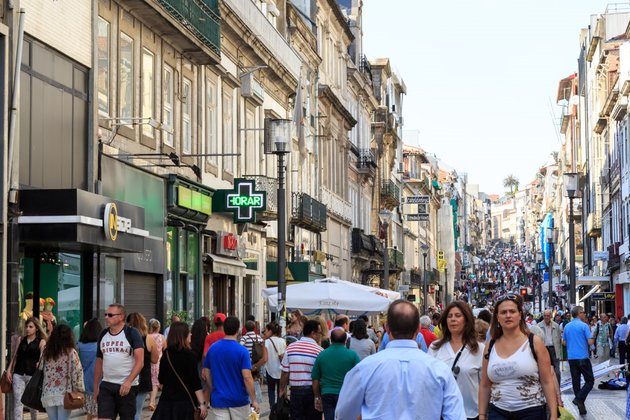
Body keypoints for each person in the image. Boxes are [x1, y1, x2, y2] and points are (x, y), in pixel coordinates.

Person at [336, 300, 465, 419]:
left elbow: (343, 414)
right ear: (418, 328)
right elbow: (456, 416)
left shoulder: (364, 369)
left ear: (387, 328)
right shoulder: (440, 370)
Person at [479, 294, 557, 420]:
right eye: (503, 312)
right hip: (498, 412)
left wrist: (553, 413)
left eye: (512, 311)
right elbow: (485, 384)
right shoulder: (490, 346)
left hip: (531, 411)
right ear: (497, 317)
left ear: (520, 315)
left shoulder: (534, 342)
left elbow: (547, 381)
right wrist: (482, 415)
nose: (508, 315)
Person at [429, 301, 484, 420]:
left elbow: (484, 385)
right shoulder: (435, 348)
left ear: (467, 319)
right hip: (441, 413)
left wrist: (483, 414)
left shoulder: (479, 349)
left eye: (458, 316)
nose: (453, 319)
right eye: (449, 316)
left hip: (470, 413)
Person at [94, 303, 145, 420]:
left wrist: (128, 382)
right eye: (106, 314)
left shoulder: (132, 333)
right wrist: (96, 387)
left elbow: (140, 361)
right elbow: (99, 362)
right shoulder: (103, 334)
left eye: (110, 315)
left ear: (121, 317)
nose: (106, 317)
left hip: (126, 386)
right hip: (106, 384)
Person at [203, 316, 260, 417]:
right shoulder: (242, 351)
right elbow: (247, 377)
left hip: (219, 399)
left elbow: (206, 372)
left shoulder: (213, 349)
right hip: (239, 400)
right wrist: (254, 400)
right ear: (238, 330)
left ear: (224, 329)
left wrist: (213, 387)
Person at [152, 321, 208, 419]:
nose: (191, 334)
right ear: (183, 335)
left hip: (167, 403)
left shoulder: (166, 354)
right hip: (185, 403)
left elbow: (161, 379)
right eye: (188, 332)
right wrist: (202, 403)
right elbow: (195, 382)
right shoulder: (190, 355)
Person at [279, 319, 323, 420]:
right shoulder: (319, 351)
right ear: (313, 333)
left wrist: (282, 389)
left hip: (295, 392)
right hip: (312, 392)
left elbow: (285, 373)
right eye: (319, 333)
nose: (320, 335)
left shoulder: (291, 348)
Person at [312, 328, 361, 420]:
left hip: (327, 393)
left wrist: (317, 396)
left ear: (330, 339)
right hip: (345, 393)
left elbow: (315, 379)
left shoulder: (322, 355)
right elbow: (360, 376)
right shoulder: (352, 355)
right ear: (346, 340)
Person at [41, 324, 85, 420]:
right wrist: (79, 389)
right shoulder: (71, 352)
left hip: (48, 393)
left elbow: (40, 368)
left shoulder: (46, 352)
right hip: (65, 394)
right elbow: (78, 371)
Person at [7, 317, 47, 420]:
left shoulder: (41, 341)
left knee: (32, 403)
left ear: (36, 328)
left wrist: (40, 361)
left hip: (32, 376)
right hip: (18, 373)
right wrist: (9, 369)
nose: (28, 329)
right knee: (18, 401)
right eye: (26, 327)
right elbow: (15, 355)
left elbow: (43, 357)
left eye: (31, 327)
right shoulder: (21, 340)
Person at [563, 305, 595, 415]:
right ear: (579, 313)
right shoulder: (584, 326)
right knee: (590, 381)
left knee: (576, 382)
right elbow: (590, 342)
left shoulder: (567, 326)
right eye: (583, 312)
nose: (585, 314)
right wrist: (592, 337)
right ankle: (579, 399)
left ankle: (581, 405)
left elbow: (564, 342)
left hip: (572, 357)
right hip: (582, 357)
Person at [126, 312, 159, 420]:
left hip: (126, 376)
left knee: (126, 410)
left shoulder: (124, 337)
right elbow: (155, 360)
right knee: (137, 411)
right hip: (143, 377)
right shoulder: (149, 339)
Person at [77, 318, 103, 420]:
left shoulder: (79, 345)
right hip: (99, 382)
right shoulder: (101, 345)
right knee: (97, 413)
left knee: (90, 412)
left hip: (85, 382)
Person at [240, 319, 267, 403]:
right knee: (255, 380)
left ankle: (248, 398)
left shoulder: (244, 338)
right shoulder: (258, 337)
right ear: (254, 328)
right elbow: (263, 347)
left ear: (245, 328)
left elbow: (240, 347)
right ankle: (257, 398)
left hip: (247, 362)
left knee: (247, 379)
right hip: (257, 362)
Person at [263, 321, 286, 407]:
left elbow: (265, 358)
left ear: (270, 331)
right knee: (280, 390)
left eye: (266, 330)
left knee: (271, 390)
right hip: (281, 370)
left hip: (270, 369)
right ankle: (280, 408)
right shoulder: (283, 341)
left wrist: (256, 365)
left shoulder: (266, 342)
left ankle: (272, 409)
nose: (264, 332)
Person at [541, 309, 562, 386]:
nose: (546, 317)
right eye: (545, 316)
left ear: (551, 316)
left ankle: (557, 388)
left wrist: (560, 354)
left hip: (554, 349)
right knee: (544, 369)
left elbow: (559, 340)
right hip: (544, 349)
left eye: (548, 316)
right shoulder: (538, 326)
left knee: (557, 371)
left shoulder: (556, 326)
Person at [147, 319, 165, 412]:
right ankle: (152, 401)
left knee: (152, 381)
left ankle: (152, 400)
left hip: (150, 362)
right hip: (159, 362)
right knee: (156, 382)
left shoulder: (147, 337)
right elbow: (165, 349)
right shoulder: (161, 337)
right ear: (158, 327)